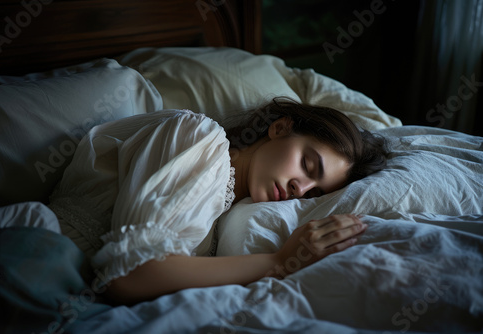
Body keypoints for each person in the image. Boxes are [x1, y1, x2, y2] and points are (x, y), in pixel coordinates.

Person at [47, 97, 388, 304]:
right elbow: (129, 275)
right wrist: (281, 261)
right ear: (280, 129)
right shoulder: (200, 138)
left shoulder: (229, 215)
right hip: (32, 255)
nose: (301, 188)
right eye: (308, 165)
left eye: (315, 192)